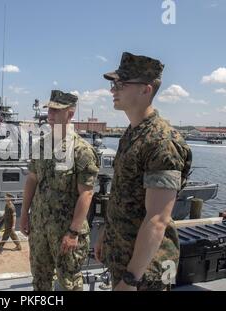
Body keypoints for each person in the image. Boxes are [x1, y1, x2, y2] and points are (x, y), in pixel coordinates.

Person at [95, 52, 192, 291]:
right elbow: (124, 194)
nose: (112, 90)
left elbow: (157, 219)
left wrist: (130, 280)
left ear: (145, 90)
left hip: (147, 272)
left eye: (121, 84)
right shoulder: (132, 134)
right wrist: (107, 233)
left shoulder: (162, 141)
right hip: (124, 256)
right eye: (113, 84)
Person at [20, 90, 99, 291]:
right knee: (39, 279)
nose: (51, 114)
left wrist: (73, 232)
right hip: (39, 229)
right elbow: (32, 179)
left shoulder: (81, 150)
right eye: (50, 109)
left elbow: (86, 193)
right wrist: (24, 215)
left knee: (69, 283)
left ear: (70, 114)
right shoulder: (42, 145)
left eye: (57, 110)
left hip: (65, 232)